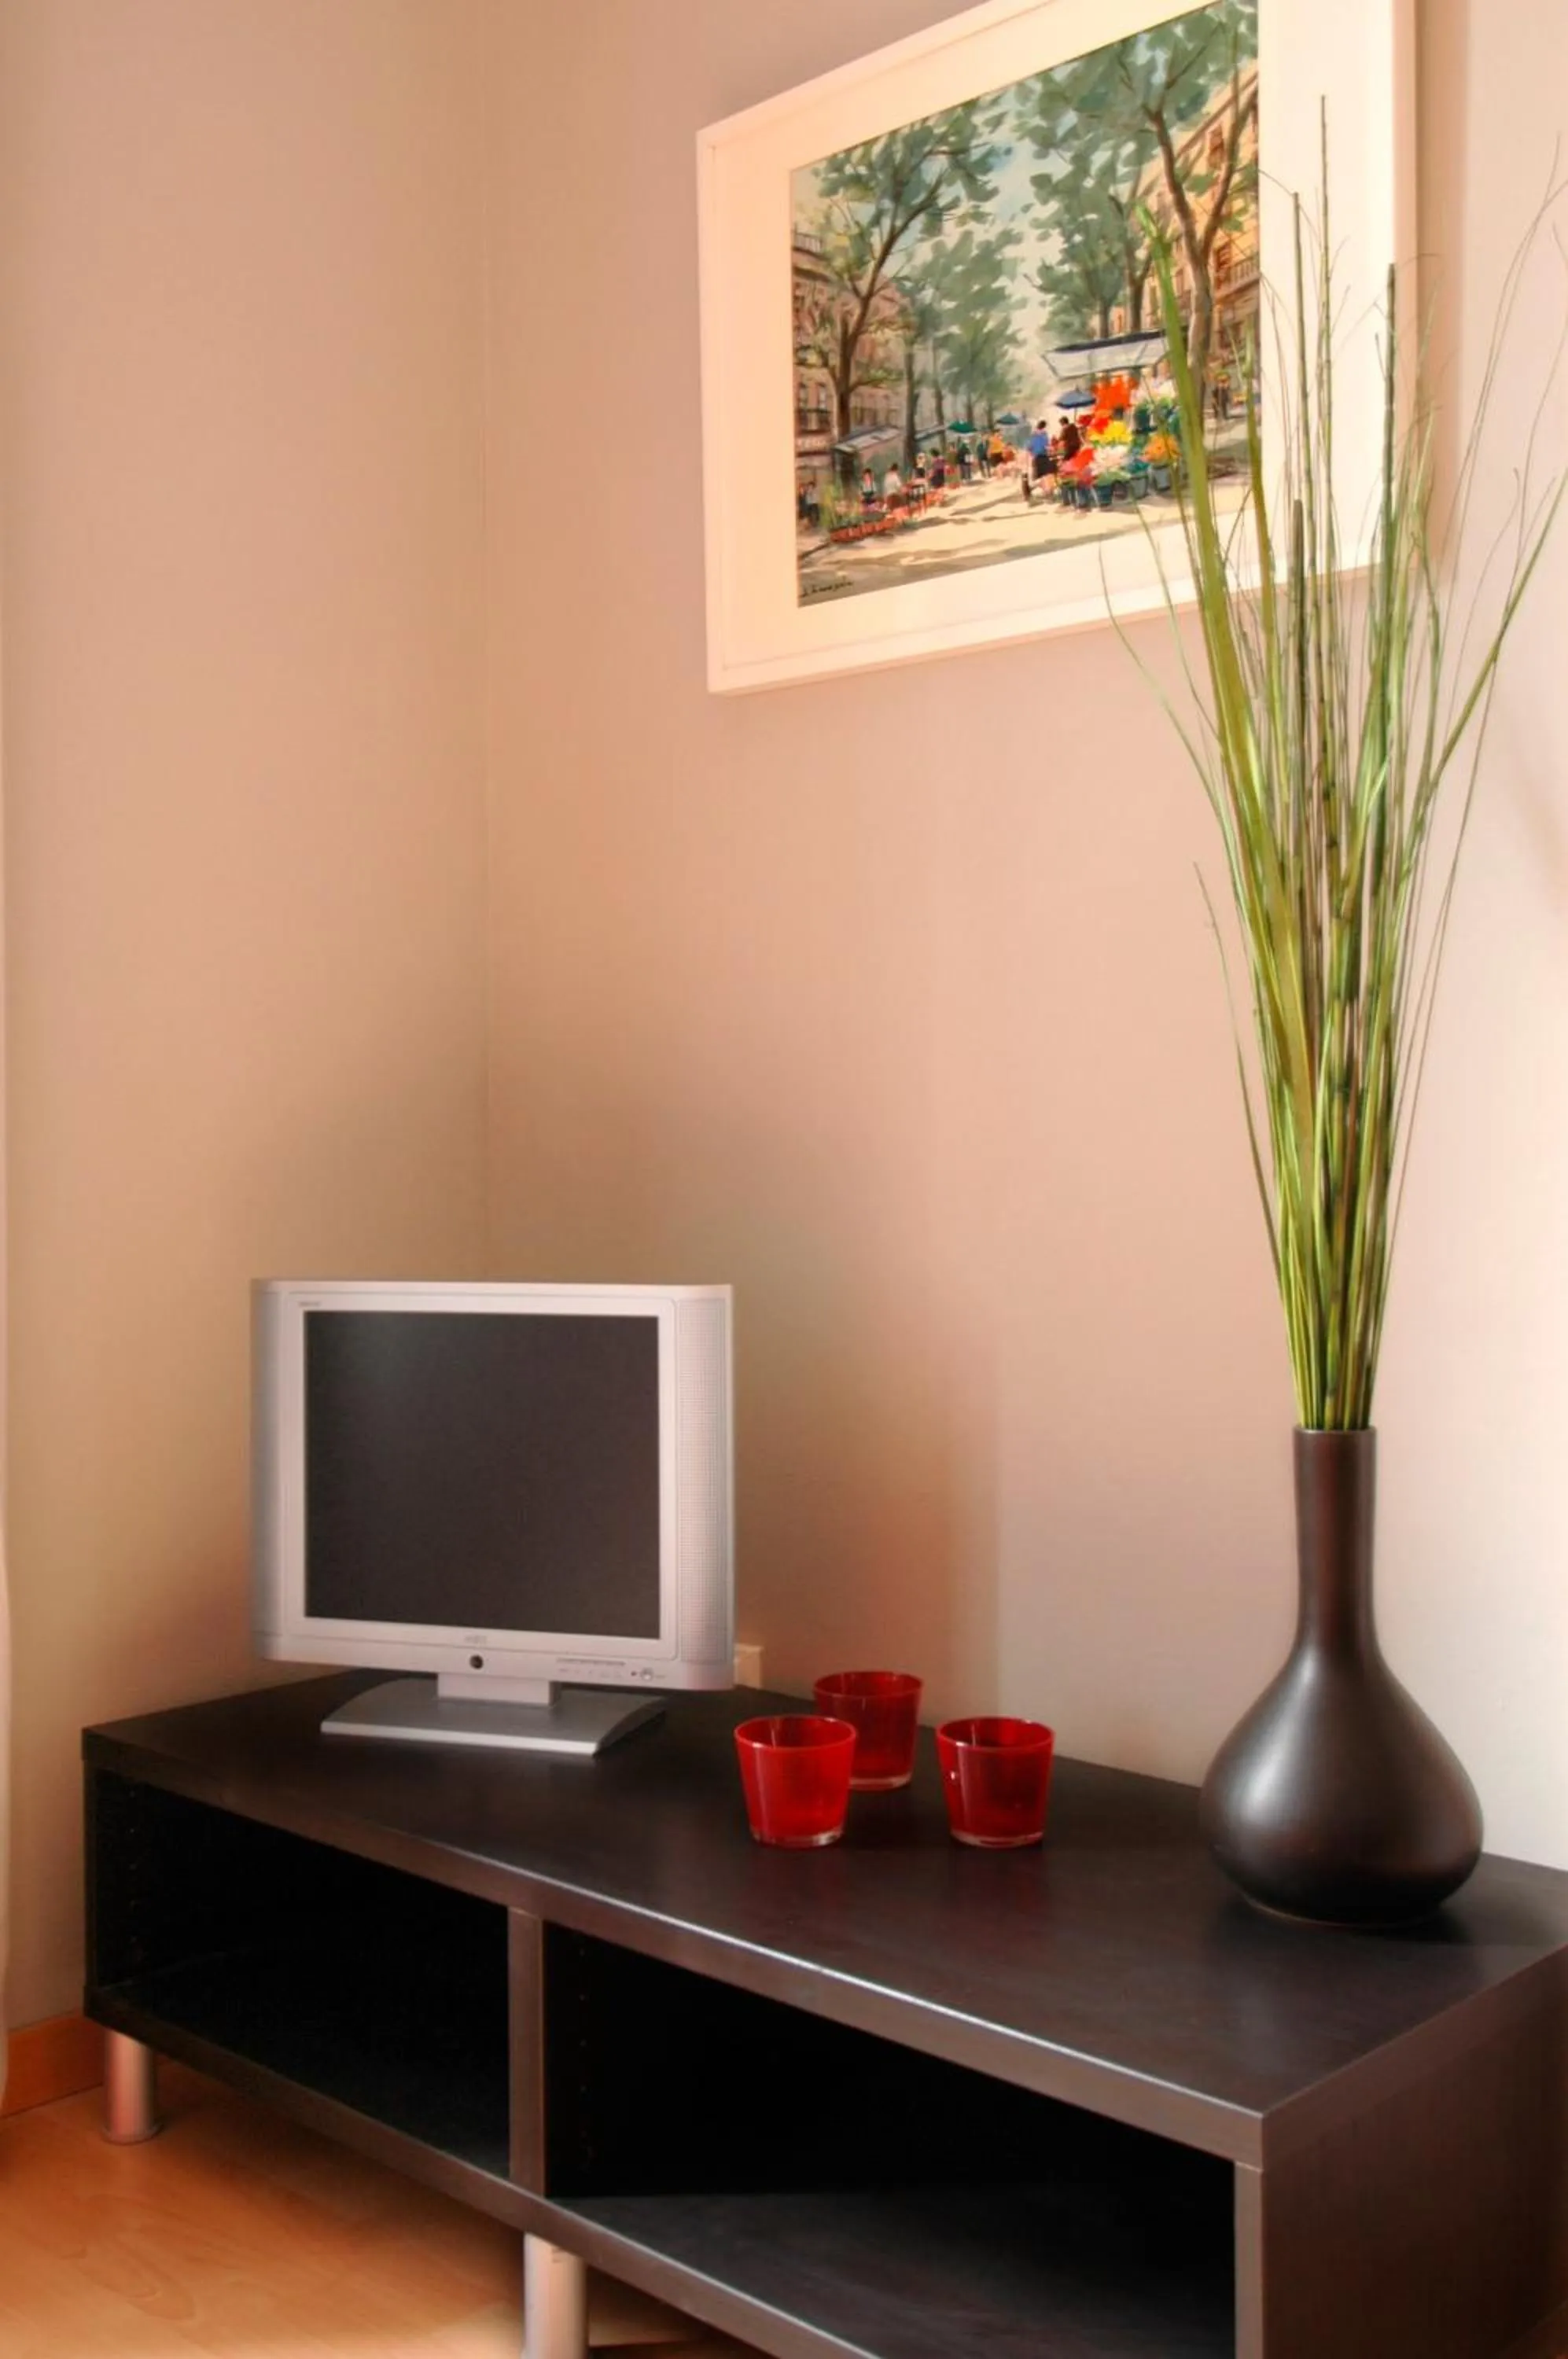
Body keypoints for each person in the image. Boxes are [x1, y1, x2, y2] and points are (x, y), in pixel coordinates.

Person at [1028, 417, 1052, 484]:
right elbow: (1046, 445)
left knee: (1040, 474)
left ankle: (1044, 487)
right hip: (1043, 455)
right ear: (1044, 427)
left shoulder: (1033, 434)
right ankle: (1047, 489)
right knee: (1046, 473)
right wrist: (1050, 449)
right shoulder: (1044, 434)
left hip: (1036, 456)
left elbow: (1030, 447)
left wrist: (1032, 454)